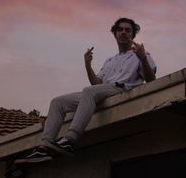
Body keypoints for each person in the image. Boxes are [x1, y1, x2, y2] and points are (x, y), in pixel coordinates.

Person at [24, 17, 156, 162]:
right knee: (58, 102)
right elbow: (96, 84)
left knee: (88, 91)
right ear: (115, 34)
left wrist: (142, 58)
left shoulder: (141, 54)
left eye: (128, 30)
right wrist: (88, 65)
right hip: (102, 91)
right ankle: (44, 146)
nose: (123, 32)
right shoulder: (109, 60)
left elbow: (151, 80)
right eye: (120, 29)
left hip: (122, 89)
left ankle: (70, 140)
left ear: (133, 35)